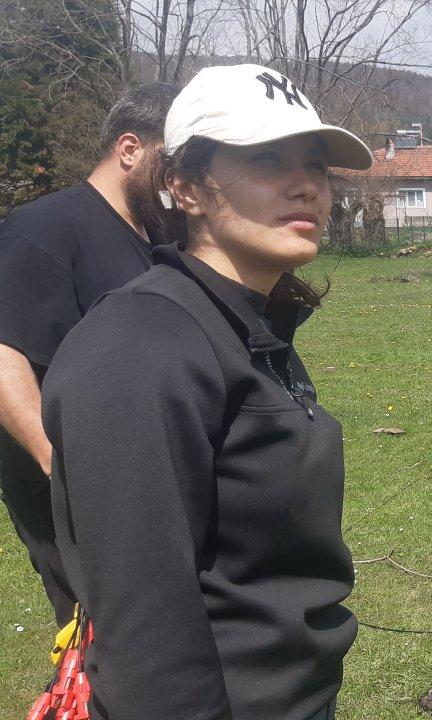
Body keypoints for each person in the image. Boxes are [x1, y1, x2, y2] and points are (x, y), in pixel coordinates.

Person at [42, 64, 373, 719]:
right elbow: (146, 642)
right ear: (184, 186)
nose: (305, 182)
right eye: (267, 157)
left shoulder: (246, 325)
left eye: (315, 164)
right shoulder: (142, 343)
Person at [0, 82, 178, 626]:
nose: (180, 180)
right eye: (172, 163)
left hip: (144, 476)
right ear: (130, 149)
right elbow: (4, 354)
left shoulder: (155, 233)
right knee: (109, 641)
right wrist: (61, 466)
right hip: (78, 495)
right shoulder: (46, 228)